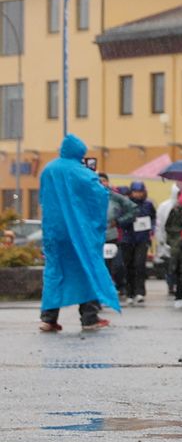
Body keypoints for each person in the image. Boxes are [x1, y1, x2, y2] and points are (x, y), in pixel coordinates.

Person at [37, 134, 121, 332]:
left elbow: (43, 198)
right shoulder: (80, 172)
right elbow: (98, 194)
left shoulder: (48, 170)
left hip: (53, 231)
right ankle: (89, 317)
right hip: (77, 231)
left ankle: (48, 318)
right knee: (86, 267)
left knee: (54, 271)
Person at [114, 182, 156, 303]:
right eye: (135, 192)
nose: (138, 194)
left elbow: (153, 218)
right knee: (128, 265)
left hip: (142, 239)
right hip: (127, 239)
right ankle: (129, 291)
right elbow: (119, 221)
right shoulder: (125, 204)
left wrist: (151, 229)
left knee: (140, 265)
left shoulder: (148, 204)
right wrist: (130, 219)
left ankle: (139, 291)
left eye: (140, 192)